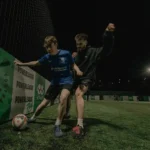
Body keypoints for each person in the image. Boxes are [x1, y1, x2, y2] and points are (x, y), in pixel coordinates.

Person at [14, 35, 83, 137]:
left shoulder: (66, 53)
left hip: (67, 81)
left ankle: (57, 126)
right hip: (55, 82)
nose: (48, 49)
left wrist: (77, 70)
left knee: (63, 98)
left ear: (55, 44)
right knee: (43, 104)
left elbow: (72, 64)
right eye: (46, 47)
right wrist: (22, 64)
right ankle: (33, 117)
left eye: (50, 46)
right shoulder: (47, 57)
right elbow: (35, 63)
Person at [71, 23, 115, 138]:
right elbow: (71, 65)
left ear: (86, 42)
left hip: (87, 79)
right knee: (65, 95)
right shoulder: (75, 56)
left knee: (78, 93)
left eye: (80, 44)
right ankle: (66, 113)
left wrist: (108, 34)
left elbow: (106, 49)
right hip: (75, 80)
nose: (78, 47)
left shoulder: (94, 52)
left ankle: (80, 125)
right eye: (77, 44)